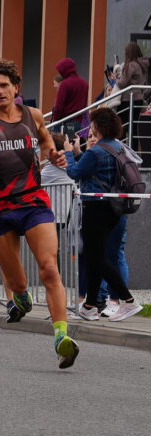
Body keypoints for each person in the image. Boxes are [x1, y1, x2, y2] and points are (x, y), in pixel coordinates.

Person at [0, 58, 79, 369]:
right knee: (18, 284)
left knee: (49, 269)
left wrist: (54, 156)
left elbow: (46, 144)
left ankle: (61, 337)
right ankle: (20, 297)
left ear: (16, 87)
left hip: (33, 202)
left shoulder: (34, 116)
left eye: (4, 85)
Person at [66, 108, 142, 322]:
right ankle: (90, 306)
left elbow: (74, 173)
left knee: (96, 258)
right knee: (96, 257)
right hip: (113, 208)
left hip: (95, 208)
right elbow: (94, 170)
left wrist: (69, 153)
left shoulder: (96, 151)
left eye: (92, 125)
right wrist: (79, 154)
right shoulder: (118, 147)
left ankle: (128, 300)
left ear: (98, 127)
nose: (90, 129)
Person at [51, 57, 89, 135]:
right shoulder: (84, 83)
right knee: (77, 142)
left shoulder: (65, 84)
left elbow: (59, 106)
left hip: (68, 121)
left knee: (67, 141)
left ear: (65, 70)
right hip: (80, 121)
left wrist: (56, 120)